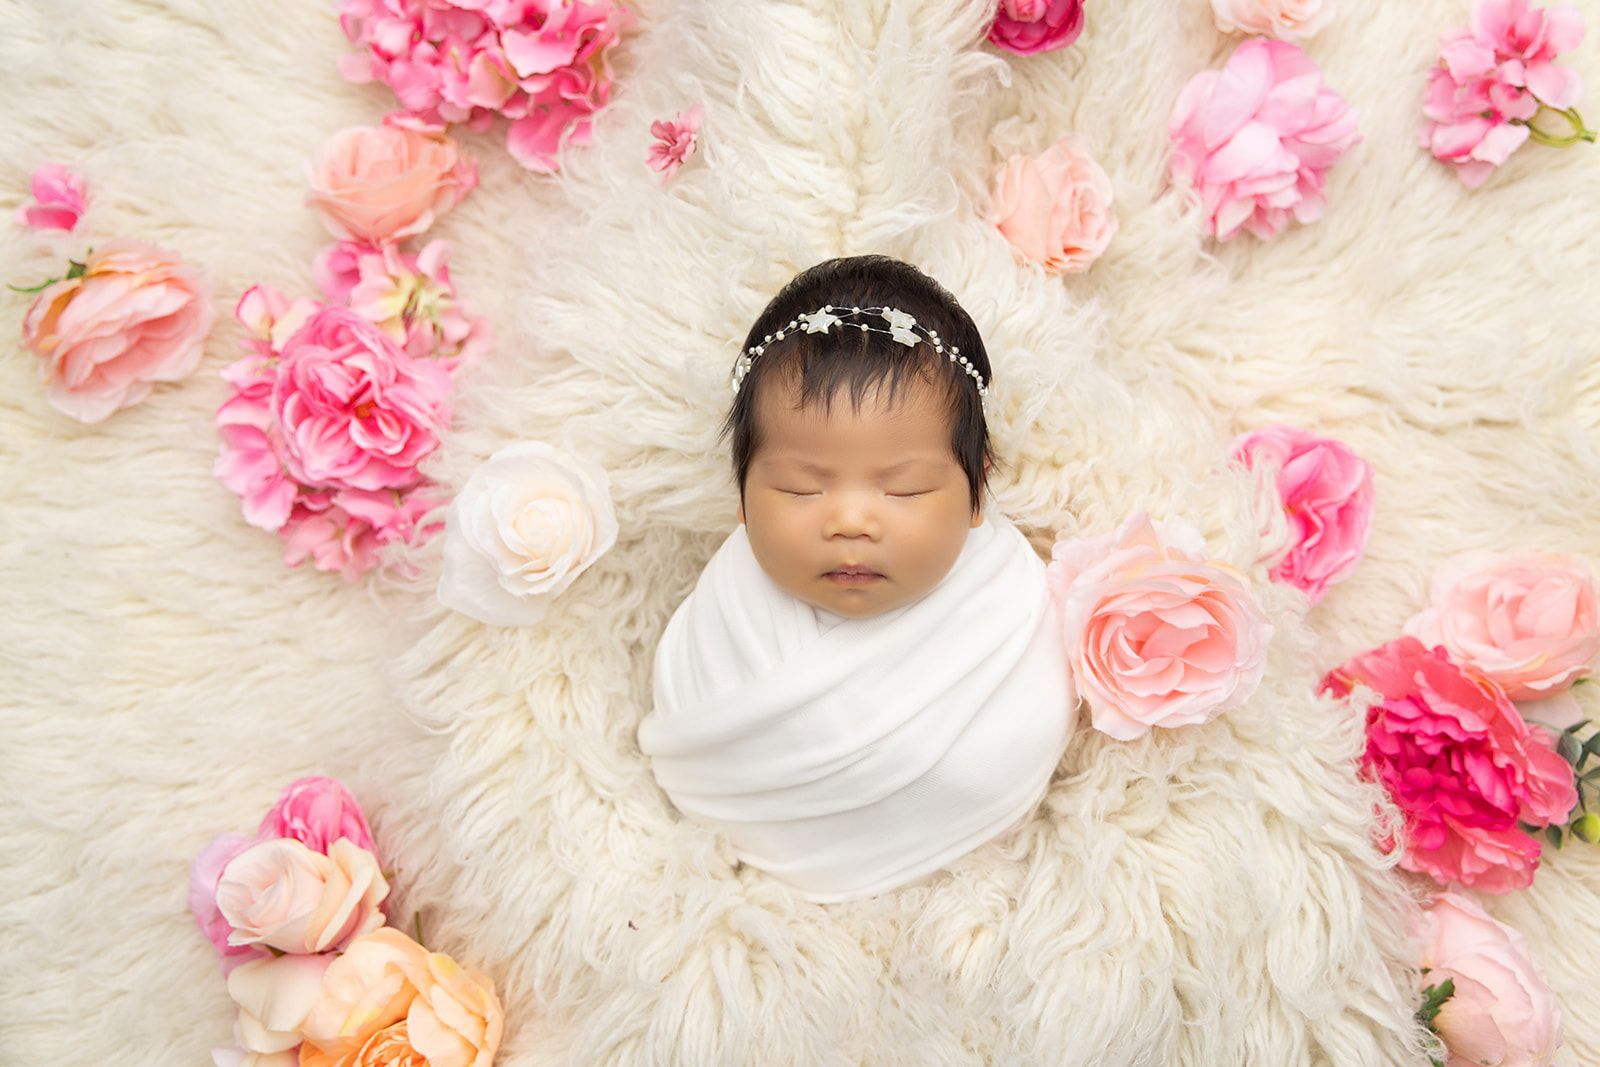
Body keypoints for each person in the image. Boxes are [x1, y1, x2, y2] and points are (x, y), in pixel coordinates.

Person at [637, 254, 1076, 902]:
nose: (849, 520)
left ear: (977, 490)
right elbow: (689, 758)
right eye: (799, 487)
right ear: (742, 493)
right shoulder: (722, 625)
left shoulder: (1013, 616)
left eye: (904, 489)